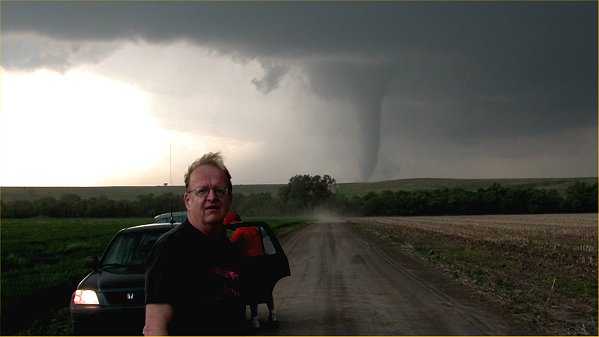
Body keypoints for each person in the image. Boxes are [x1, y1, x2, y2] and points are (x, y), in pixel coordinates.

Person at [144, 152, 245, 335]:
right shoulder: (170, 249)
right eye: (202, 190)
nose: (212, 197)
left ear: (229, 199)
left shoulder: (227, 247)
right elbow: (154, 328)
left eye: (220, 190)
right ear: (188, 201)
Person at [230, 224, 278, 329]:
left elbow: (229, 247)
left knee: (251, 292)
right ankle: (273, 315)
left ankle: (255, 320)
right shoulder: (254, 228)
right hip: (262, 262)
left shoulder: (238, 231)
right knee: (267, 289)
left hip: (249, 265)